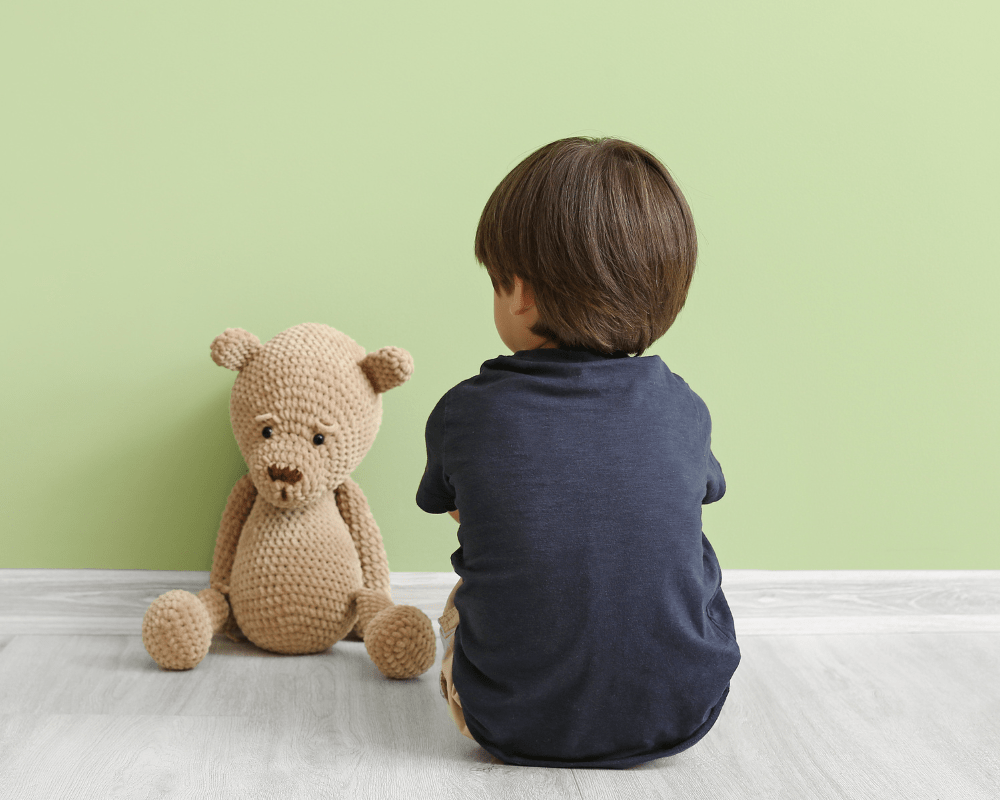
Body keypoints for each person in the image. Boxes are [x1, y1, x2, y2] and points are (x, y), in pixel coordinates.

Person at [416, 137, 740, 769]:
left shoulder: (467, 410)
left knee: (461, 593)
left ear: (523, 294)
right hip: (686, 710)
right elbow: (696, 493)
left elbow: (455, 509)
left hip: (506, 722)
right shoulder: (683, 407)